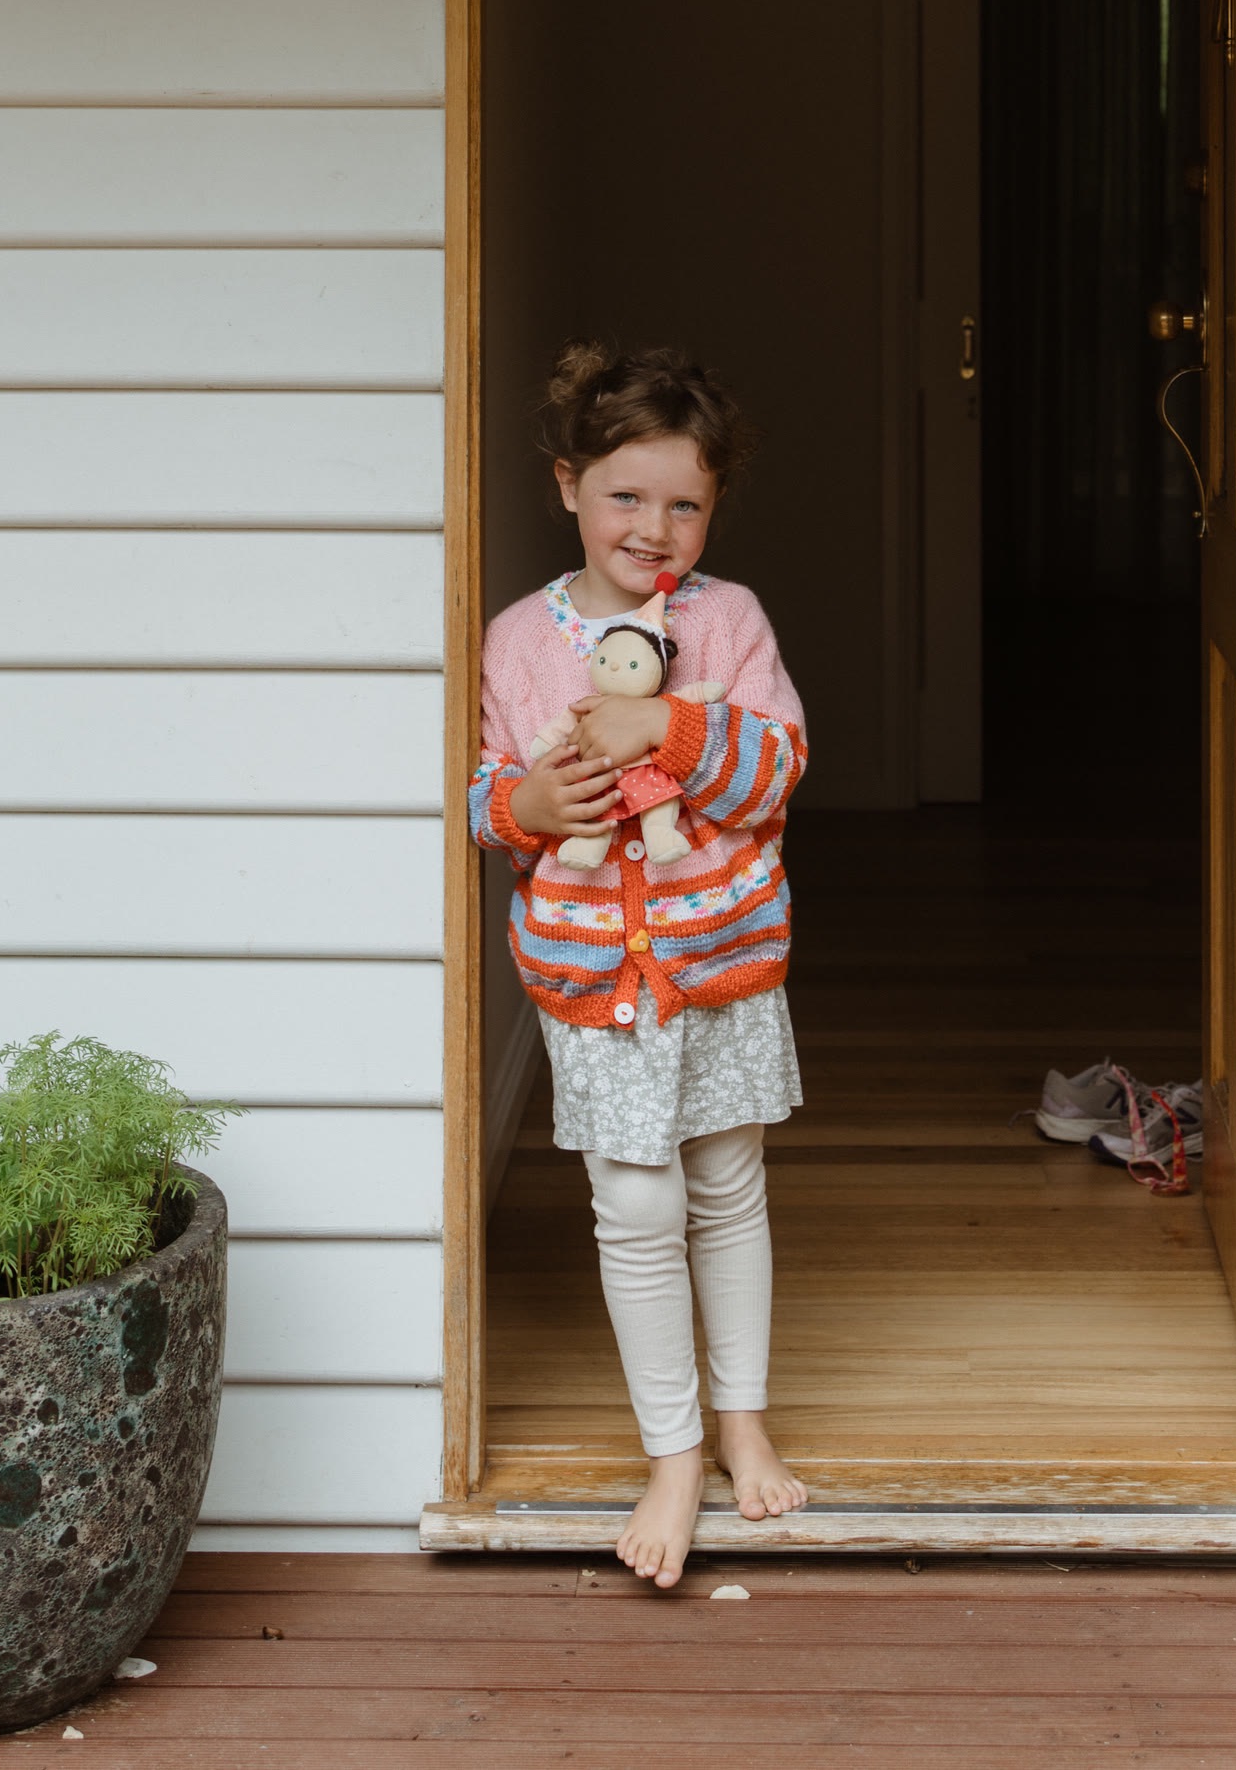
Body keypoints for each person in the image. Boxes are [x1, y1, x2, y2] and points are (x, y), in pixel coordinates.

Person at [471, 340, 809, 1588]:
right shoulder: (520, 642)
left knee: (727, 1189)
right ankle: (673, 1454)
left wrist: (667, 725)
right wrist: (522, 809)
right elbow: (488, 794)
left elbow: (774, 773)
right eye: (625, 495)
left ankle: (742, 1424)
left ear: (713, 509)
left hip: (717, 962)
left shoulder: (729, 624)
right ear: (568, 484)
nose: (653, 530)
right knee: (636, 1209)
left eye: (685, 505)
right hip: (594, 984)